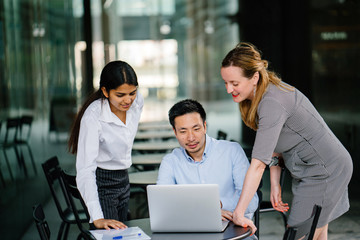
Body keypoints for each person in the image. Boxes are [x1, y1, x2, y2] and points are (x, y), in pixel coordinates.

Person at [220, 42, 353, 239]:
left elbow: (257, 165)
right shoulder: (262, 94)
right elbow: (273, 144)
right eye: (225, 82)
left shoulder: (271, 102)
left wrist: (239, 213)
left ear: (254, 77)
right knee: (316, 234)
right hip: (317, 168)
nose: (229, 89)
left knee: (297, 234)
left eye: (235, 83)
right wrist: (275, 183)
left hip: (325, 170)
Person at [68, 60, 144, 230]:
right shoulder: (93, 117)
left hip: (124, 179)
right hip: (102, 184)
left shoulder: (137, 102)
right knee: (111, 235)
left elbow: (134, 100)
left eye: (132, 93)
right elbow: (85, 169)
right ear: (105, 91)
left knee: (122, 233)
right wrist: (97, 217)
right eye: (120, 95)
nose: (128, 100)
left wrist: (132, 96)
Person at [156, 99, 259, 222]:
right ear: (175, 132)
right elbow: (163, 205)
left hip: (232, 227)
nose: (191, 138)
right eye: (183, 131)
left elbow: (252, 202)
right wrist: (205, 212)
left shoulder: (232, 151)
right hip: (192, 228)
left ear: (205, 127)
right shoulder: (170, 162)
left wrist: (219, 204)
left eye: (196, 129)